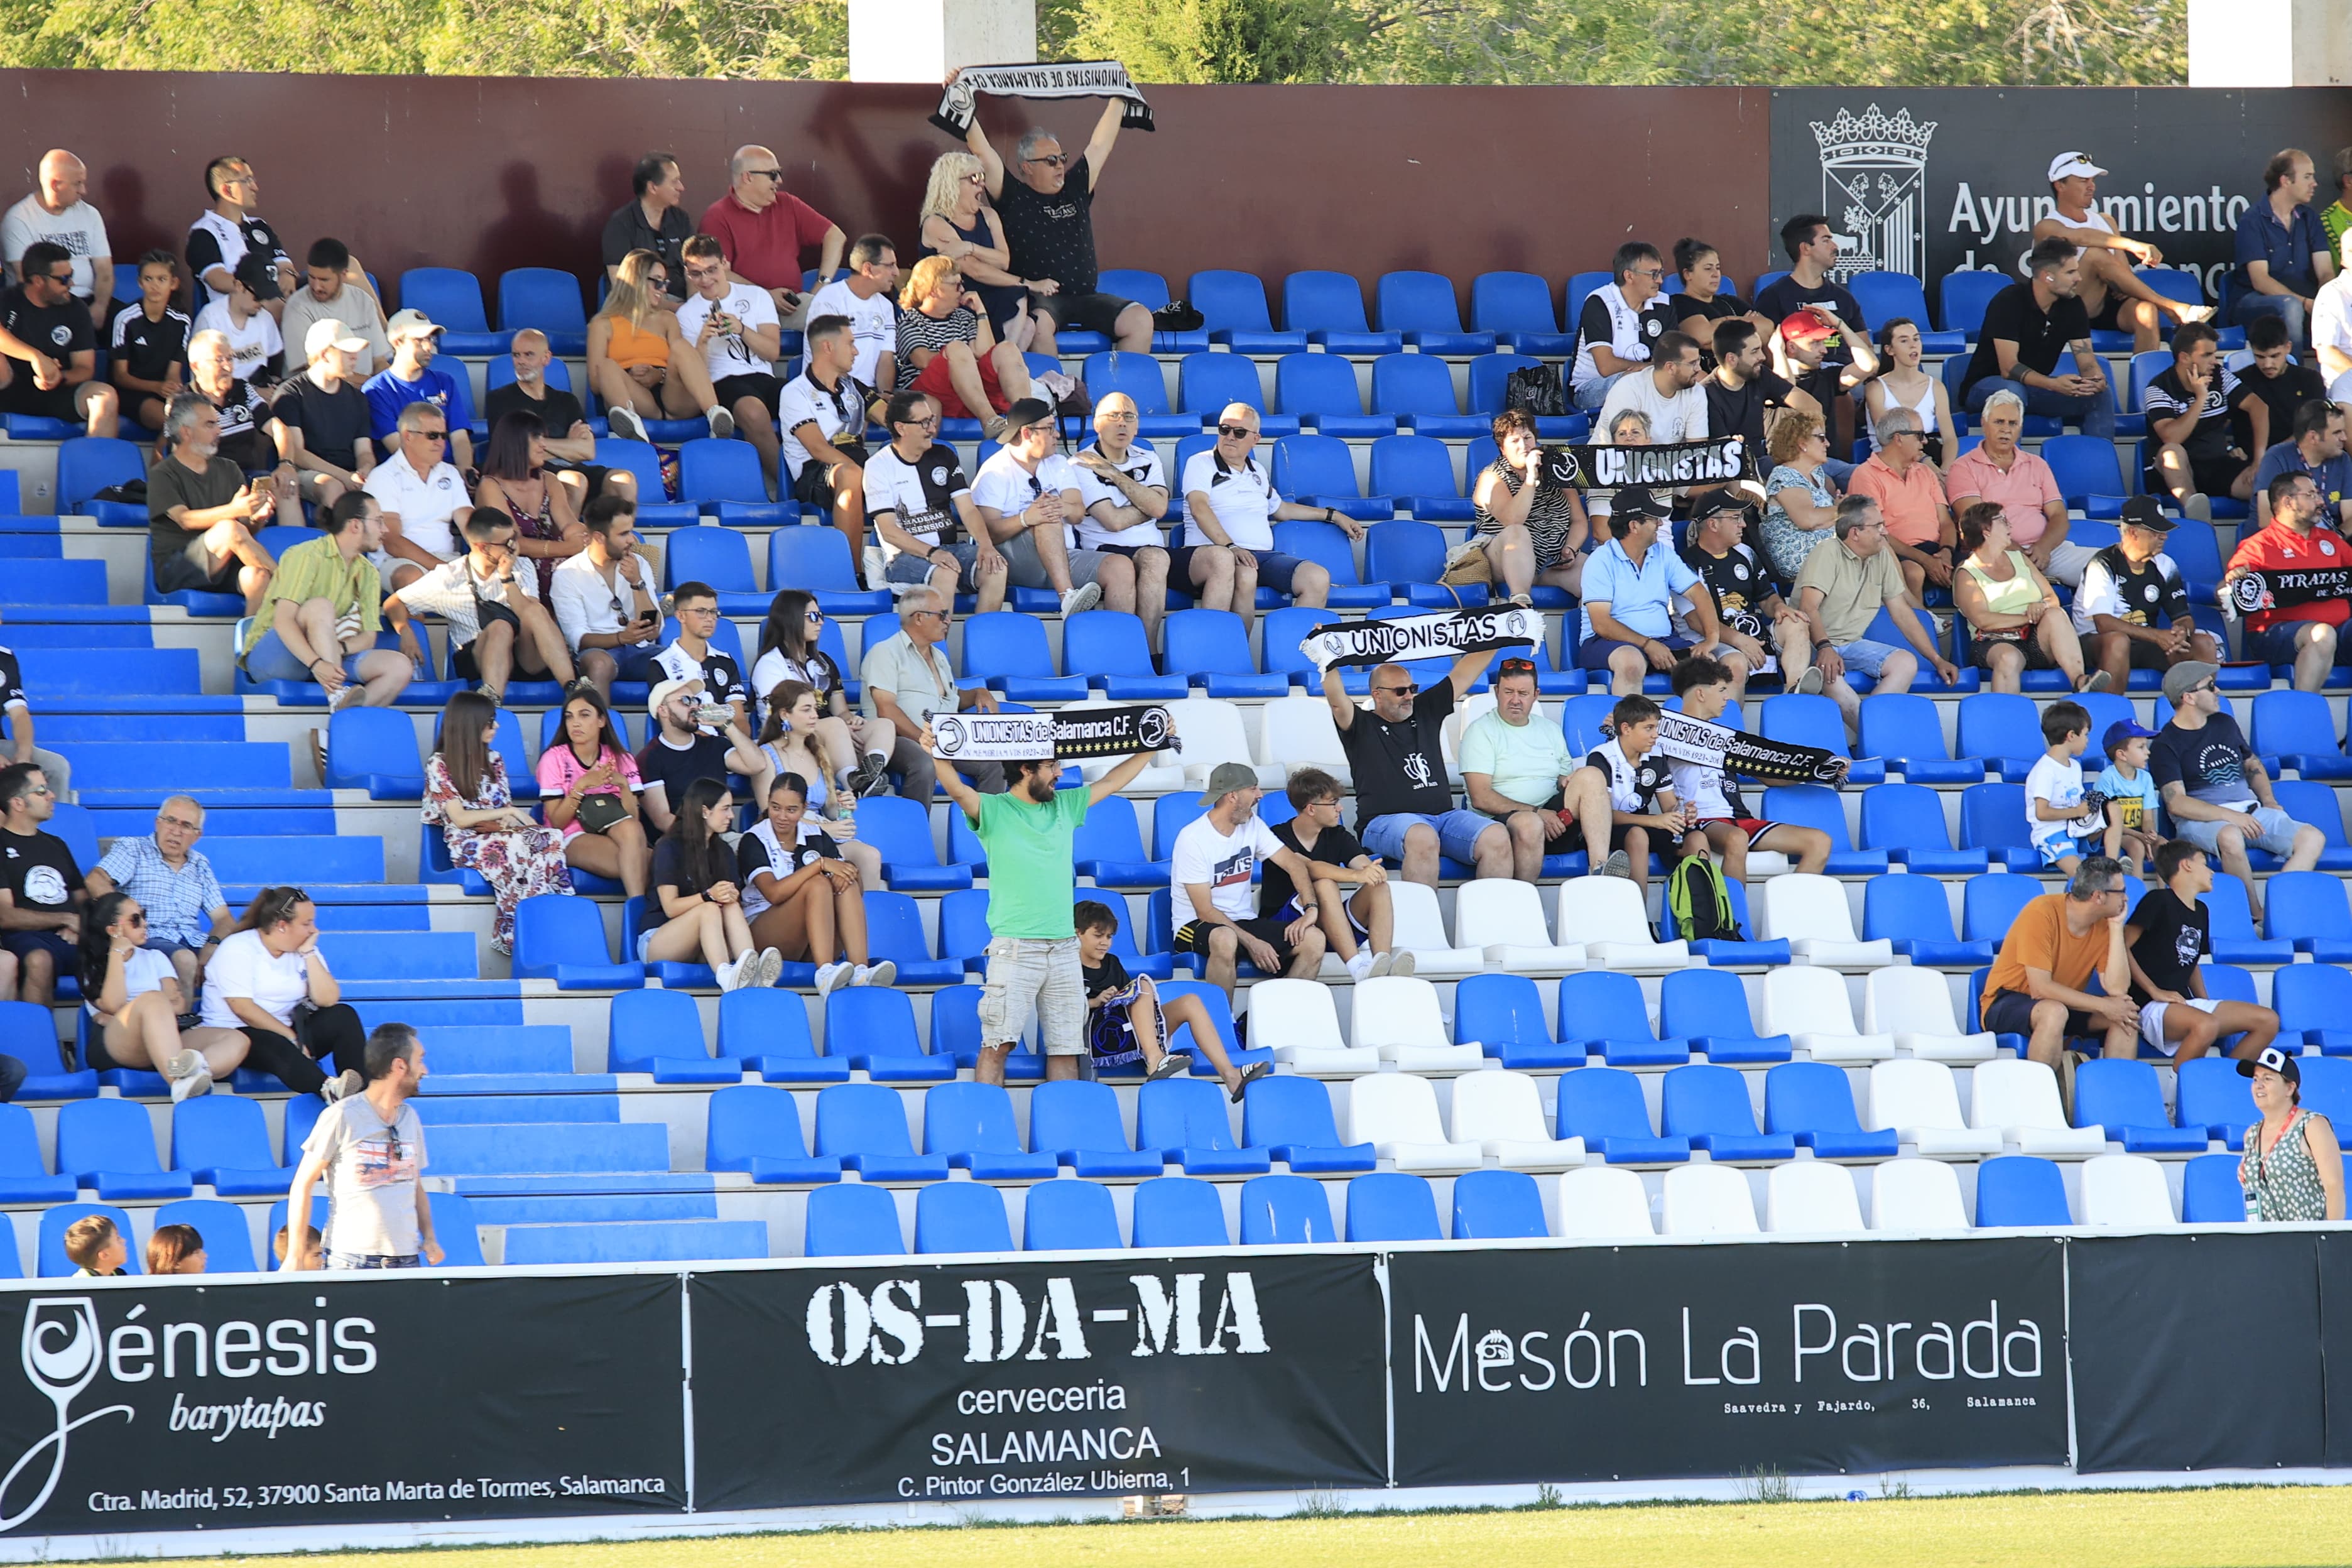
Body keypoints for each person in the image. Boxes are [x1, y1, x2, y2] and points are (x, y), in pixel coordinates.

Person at [930, 717, 1167, 1087]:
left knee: (1066, 1048)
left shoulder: (1065, 805)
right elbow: (958, 791)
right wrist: (937, 752)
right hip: (1015, 946)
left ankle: (1064, 1120)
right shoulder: (995, 808)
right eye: (1052, 766)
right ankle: (988, 1117)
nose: (1059, 773)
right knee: (998, 1044)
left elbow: (1112, 782)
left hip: (1064, 948)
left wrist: (1151, 746)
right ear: (1026, 769)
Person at [955, 82, 1152, 356]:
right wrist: (959, 98)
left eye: (1061, 158)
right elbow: (983, 152)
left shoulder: (1075, 187)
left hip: (1086, 296)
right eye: (1050, 160)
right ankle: (1055, 384)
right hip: (1043, 299)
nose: (1059, 165)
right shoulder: (1012, 196)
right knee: (1038, 328)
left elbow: (1100, 146)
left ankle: (1121, 385)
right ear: (1027, 167)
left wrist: (1119, 95)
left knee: (1140, 319)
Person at [2150, 660, 2323, 922]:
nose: (2218, 691)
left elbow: (2252, 765)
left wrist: (2269, 800)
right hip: (2203, 821)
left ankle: (2277, 911)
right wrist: (2232, 817)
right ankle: (2253, 915)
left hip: (2250, 812)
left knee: (2312, 838)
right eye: (2210, 686)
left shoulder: (2225, 723)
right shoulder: (2165, 744)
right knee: (2230, 836)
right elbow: (2178, 803)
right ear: (2189, 697)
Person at [1325, 640, 1506, 887]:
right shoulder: (1361, 724)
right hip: (1383, 823)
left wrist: (1499, 634)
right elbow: (1337, 701)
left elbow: (1465, 673)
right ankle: (1423, 913)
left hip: (1444, 817)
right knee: (1422, 836)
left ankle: (1490, 913)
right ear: (1377, 694)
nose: (1409, 696)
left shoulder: (1424, 709)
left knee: (1496, 836)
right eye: (1400, 691)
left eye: (1412, 688)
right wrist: (1327, 656)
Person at [1177, 402, 1353, 633]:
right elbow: (1198, 508)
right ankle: (1235, 650)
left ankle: (1294, 650)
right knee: (1246, 574)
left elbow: (1281, 510)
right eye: (1224, 429)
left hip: (1261, 556)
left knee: (1317, 578)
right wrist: (1231, 546)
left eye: (1239, 432)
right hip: (1217, 554)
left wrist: (1333, 515)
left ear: (1256, 439)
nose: (1230, 437)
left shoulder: (1257, 470)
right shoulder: (1201, 462)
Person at [242, 491, 413, 722]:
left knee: (399, 666)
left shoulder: (369, 573)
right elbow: (283, 621)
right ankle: (336, 695)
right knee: (320, 606)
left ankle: (341, 726)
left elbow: (368, 638)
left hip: (328, 658)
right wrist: (317, 663)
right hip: (274, 657)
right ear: (355, 525)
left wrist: (333, 650)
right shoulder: (306, 555)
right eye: (379, 521)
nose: (385, 529)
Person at [423, 691, 572, 956]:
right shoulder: (439, 763)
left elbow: (505, 818)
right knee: (524, 847)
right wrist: (508, 812)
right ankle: (525, 934)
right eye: (490, 721)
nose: (497, 726)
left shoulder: (495, 760)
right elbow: (460, 818)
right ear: (471, 725)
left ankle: (540, 925)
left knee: (552, 838)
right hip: (467, 843)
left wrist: (507, 820)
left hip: (501, 834)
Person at [1795, 496, 1964, 727]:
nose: (1885, 532)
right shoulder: (1827, 551)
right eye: (1878, 526)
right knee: (1831, 676)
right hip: (1813, 643)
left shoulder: (1882, 555)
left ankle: (1872, 732)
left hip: (1851, 643)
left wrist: (1937, 659)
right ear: (1855, 533)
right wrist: (1825, 648)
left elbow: (1902, 614)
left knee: (1906, 663)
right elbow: (1808, 608)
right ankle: (1876, 735)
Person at [1171, 761, 1331, 1003]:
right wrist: (1253, 943)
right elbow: (1205, 911)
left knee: (1314, 939)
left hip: (1243, 921)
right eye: (1253, 788)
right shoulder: (1193, 839)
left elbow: (1294, 864)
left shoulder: (1253, 824)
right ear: (1232, 795)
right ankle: (1222, 1020)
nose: (1260, 795)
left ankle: (1279, 1016)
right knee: (1225, 939)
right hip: (1194, 925)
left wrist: (1311, 909)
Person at [287, 1022, 442, 1270]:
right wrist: (295, 1257)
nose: (425, 1070)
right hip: (351, 1261)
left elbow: (415, 1185)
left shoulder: (410, 1118)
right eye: (420, 1060)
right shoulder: (342, 1115)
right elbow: (302, 1185)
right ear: (399, 1066)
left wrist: (430, 1237)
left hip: (407, 1259)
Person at [1664, 655, 1832, 883]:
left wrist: (1817, 771)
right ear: (1701, 694)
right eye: (1722, 690)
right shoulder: (1664, 735)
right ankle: (1733, 907)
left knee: (1819, 842)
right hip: (1702, 820)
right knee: (1737, 838)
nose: (1727, 697)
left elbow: (1771, 778)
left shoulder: (1729, 741)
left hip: (1740, 820)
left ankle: (1789, 903)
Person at [389, 504, 572, 711]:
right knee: (500, 627)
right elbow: (394, 602)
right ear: (483, 548)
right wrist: (405, 630)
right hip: (477, 658)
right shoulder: (449, 577)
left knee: (537, 610)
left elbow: (528, 614)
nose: (514, 547)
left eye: (514, 539)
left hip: (523, 653)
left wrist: (507, 578)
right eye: (507, 543)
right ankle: (491, 707)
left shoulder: (522, 566)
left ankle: (573, 687)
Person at [1075, 900, 1262, 1097]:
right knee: (1143, 985)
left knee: (1190, 1002)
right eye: (1098, 936)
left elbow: (1128, 1002)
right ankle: (1155, 1058)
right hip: (1096, 1040)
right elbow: (1061, 1009)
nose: (1105, 943)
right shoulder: (1069, 967)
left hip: (1124, 1033)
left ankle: (1231, 1075)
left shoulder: (1112, 962)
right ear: (1078, 933)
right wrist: (1095, 1002)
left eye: (1109, 937)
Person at [2033, 151, 2211, 354]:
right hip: (2064, 307)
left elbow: (2123, 272)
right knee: (2095, 254)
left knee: (2146, 311)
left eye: (2092, 180)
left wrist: (2118, 281)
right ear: (2060, 185)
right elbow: (2081, 237)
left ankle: (2146, 373)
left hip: (2104, 305)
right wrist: (2133, 245)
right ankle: (2170, 307)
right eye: (2083, 180)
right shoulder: (2046, 226)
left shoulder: (2106, 221)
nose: (2091, 186)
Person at [200, 886, 367, 1102]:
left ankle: (362, 1095)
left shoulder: (303, 948)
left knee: (343, 1015)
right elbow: (242, 1008)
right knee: (275, 1042)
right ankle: (329, 1089)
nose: (314, 930)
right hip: (238, 1034)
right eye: (306, 924)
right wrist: (291, 1038)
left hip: (287, 1032)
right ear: (282, 926)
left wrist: (309, 953)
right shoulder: (238, 948)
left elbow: (328, 999)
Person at [2126, 840, 2281, 1063]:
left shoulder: (2201, 910)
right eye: (2204, 864)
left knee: (2268, 1020)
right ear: (2187, 865)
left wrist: (2205, 1002)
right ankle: (2190, 1080)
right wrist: (2154, 990)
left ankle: (2226, 1077)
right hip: (2149, 1006)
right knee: (2206, 1024)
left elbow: (2191, 963)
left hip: (2184, 1004)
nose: (2211, 872)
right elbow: (2121, 946)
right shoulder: (2158, 900)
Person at [77, 891, 239, 1101]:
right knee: (153, 999)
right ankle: (178, 1084)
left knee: (235, 1038)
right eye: (136, 919)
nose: (145, 923)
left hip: (165, 1037)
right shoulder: (92, 964)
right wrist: (117, 954)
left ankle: (193, 1073)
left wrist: (150, 1014)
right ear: (113, 929)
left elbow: (179, 1006)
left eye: (144, 915)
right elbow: (112, 1004)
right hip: (118, 1044)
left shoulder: (156, 957)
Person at [738, 771, 888, 996]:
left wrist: (847, 873)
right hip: (766, 934)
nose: (782, 816)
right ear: (768, 803)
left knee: (846, 882)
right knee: (817, 884)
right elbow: (774, 894)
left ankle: (861, 971)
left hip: (812, 939)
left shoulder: (816, 834)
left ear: (804, 808)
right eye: (775, 807)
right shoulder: (754, 839)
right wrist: (819, 864)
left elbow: (849, 878)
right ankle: (825, 972)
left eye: (791, 810)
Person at [1980, 857, 2138, 1070]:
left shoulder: (2104, 924)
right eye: (2121, 892)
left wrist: (2117, 928)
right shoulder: (2041, 912)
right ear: (2099, 896)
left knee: (2126, 1017)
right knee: (2054, 1012)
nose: (2126, 898)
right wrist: (2104, 1006)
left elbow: (2118, 989)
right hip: (2007, 1001)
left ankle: (2113, 1090)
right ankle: (2042, 1090)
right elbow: (2040, 989)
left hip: (2063, 1003)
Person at [866, 389, 1009, 613]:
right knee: (945, 571)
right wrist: (932, 553)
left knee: (995, 567)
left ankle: (983, 635)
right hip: (904, 558)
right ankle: (941, 636)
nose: (933, 428)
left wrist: (986, 545)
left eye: (932, 420)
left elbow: (968, 510)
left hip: (949, 549)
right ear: (901, 428)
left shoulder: (944, 455)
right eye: (924, 423)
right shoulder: (878, 466)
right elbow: (889, 532)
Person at [1957, 236, 2115, 438]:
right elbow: (2009, 368)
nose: (2079, 278)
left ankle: (2100, 458)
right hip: (1987, 388)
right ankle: (2011, 460)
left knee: (2100, 395)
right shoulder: (2009, 301)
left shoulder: (2073, 305)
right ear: (2048, 277)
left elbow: (2087, 362)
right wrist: (2053, 384)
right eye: (2071, 272)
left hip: (2035, 388)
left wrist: (2095, 379)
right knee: (2013, 392)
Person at [1578, 485, 1726, 697]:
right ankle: (1628, 720)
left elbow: (1699, 593)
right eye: (1654, 519)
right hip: (1604, 642)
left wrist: (1712, 638)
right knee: (1631, 662)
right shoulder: (1600, 560)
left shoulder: (1663, 554)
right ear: (1634, 526)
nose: (1660, 524)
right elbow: (1601, 624)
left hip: (1662, 639)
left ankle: (1686, 720)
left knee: (1706, 665)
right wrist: (1647, 644)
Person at [1261, 767, 1407, 982]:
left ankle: (1382, 966)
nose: (1340, 808)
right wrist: (1357, 876)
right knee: (1324, 884)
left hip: (1327, 924)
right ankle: (1357, 967)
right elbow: (1309, 868)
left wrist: (1372, 871)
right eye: (1333, 803)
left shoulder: (1337, 834)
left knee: (1378, 888)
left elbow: (1363, 865)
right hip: (1285, 926)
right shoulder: (1277, 835)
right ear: (1311, 809)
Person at [971, 397, 1107, 619]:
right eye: (1050, 428)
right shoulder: (995, 471)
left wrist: (1063, 507)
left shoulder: (1058, 463)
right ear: (1027, 433)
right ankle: (1067, 597)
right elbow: (987, 533)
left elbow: (1078, 514)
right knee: (1046, 518)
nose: (1057, 435)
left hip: (1063, 556)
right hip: (1015, 563)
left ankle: (1114, 639)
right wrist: (1027, 518)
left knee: (1120, 569)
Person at [862, 585, 1002, 800]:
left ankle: (985, 821)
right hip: (897, 738)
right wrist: (925, 739)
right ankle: (916, 823)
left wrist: (977, 693)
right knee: (925, 763)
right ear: (919, 618)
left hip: (945, 739)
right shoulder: (885, 652)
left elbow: (951, 698)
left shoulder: (939, 657)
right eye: (942, 615)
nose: (948, 620)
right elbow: (886, 709)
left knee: (993, 764)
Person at [1680, 489, 1818, 700]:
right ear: (1713, 525)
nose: (1743, 525)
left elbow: (1766, 597)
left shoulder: (1745, 552)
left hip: (1752, 633)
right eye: (1736, 518)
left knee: (1795, 622)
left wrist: (1780, 607)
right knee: (1735, 665)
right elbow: (1695, 621)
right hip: (1709, 639)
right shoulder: (1685, 564)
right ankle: (1732, 720)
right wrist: (1740, 640)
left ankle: (1794, 693)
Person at [1756, 215, 1877, 456]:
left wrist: (1839, 325)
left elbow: (1868, 355)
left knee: (1877, 389)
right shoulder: (1774, 296)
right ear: (1806, 248)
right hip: (1796, 376)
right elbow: (1767, 353)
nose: (1835, 246)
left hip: (1843, 375)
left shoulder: (1844, 298)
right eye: (1826, 240)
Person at [86, 797, 231, 998]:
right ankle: (183, 1015)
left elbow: (224, 919)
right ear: (158, 823)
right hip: (149, 937)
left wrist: (211, 946)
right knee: (185, 959)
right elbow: (96, 880)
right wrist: (126, 921)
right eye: (171, 821)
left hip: (194, 940)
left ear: (197, 836)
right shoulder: (134, 849)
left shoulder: (200, 864)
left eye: (186, 826)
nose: (176, 831)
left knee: (239, 957)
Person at [643, 775, 777, 991]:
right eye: (725, 809)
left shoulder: (723, 851)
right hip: (659, 939)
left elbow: (730, 902)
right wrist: (708, 896)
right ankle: (725, 976)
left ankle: (751, 970)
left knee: (730, 905)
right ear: (705, 811)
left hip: (705, 942)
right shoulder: (669, 847)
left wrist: (729, 896)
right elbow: (670, 908)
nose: (731, 815)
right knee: (709, 908)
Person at [2071, 496, 2216, 694]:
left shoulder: (2165, 564)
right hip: (2097, 642)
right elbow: (2103, 624)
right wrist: (2157, 636)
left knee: (2204, 644)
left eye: (2164, 531)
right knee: (2118, 641)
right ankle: (2110, 710)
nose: (2164, 537)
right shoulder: (2103, 563)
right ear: (2133, 532)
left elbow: (2183, 617)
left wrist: (2182, 632)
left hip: (2145, 642)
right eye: (2156, 531)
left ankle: (2199, 708)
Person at [146, 392, 275, 614]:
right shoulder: (162, 474)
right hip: (178, 568)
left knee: (257, 577)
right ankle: (292, 587)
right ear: (186, 432)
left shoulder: (229, 468)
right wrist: (234, 510)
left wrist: (256, 519)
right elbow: (184, 520)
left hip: (223, 562)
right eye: (210, 425)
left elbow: (243, 530)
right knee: (228, 528)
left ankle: (253, 637)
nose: (219, 430)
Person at [751, 589, 889, 797]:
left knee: (884, 725)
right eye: (813, 617)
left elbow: (840, 711)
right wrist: (839, 726)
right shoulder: (770, 663)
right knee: (835, 725)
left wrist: (850, 721)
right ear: (791, 618)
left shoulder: (823, 661)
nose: (821, 623)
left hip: (830, 733)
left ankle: (868, 775)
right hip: (789, 734)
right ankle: (855, 785)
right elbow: (781, 715)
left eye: (821, 616)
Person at [1948, 388, 2093, 585]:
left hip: (2046, 552)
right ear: (1984, 423)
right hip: (1994, 554)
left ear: (2020, 427)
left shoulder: (2037, 464)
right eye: (1999, 422)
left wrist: (2043, 548)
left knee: (2107, 568)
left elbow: (2059, 515)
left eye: (2013, 423)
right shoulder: (1963, 467)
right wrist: (2021, 557)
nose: (2006, 429)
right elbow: (1976, 524)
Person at [1953, 501, 2099, 696]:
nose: (2010, 525)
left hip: (2036, 638)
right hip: (1993, 641)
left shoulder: (2020, 558)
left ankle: (2079, 680)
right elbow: (1982, 620)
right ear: (1986, 530)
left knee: (2056, 614)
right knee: (2008, 658)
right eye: (2003, 520)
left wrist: (2042, 606)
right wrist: (2028, 617)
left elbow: (2052, 599)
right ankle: (2008, 713)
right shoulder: (1967, 573)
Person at [589, 248, 732, 447]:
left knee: (681, 347)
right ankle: (630, 425)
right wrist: (629, 375)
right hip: (634, 396)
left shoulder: (668, 319)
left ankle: (715, 414)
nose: (664, 289)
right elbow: (595, 384)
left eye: (665, 283)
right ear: (636, 280)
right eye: (658, 282)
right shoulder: (601, 324)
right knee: (606, 366)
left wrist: (660, 375)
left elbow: (685, 363)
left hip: (673, 395)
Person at [679, 231, 790, 486]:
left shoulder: (757, 296)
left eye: (711, 270)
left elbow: (772, 352)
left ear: (725, 263)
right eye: (696, 274)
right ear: (687, 274)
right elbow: (696, 376)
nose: (706, 280)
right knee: (753, 412)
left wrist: (742, 329)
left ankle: (821, 476)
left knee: (804, 399)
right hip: (722, 382)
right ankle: (791, 488)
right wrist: (703, 341)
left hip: (763, 377)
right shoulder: (686, 314)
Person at [777, 311, 883, 574]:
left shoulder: (853, 387)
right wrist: (866, 477)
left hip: (856, 466)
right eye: (851, 343)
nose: (856, 352)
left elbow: (891, 418)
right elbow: (818, 448)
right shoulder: (795, 392)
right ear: (828, 347)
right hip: (816, 472)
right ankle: (852, 572)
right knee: (850, 474)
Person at [751, 681, 883, 891]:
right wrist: (822, 829)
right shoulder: (767, 755)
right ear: (785, 714)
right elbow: (770, 812)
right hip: (787, 838)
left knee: (870, 856)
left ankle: (867, 911)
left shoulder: (818, 751)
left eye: (815, 708)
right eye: (806, 710)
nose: (815, 715)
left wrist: (842, 804)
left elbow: (829, 810)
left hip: (823, 834)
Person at [1461, 656, 1582, 882]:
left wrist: (1573, 783)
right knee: (1529, 823)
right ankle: (1524, 899)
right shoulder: (1481, 731)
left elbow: (1562, 779)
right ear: (1497, 692)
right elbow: (1480, 798)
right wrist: (1536, 813)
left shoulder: (1550, 729)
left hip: (1553, 822)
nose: (1515, 700)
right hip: (1498, 823)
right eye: (1509, 692)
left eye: (1523, 693)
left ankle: (1600, 867)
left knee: (1592, 777)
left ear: (1536, 695)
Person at [2229, 469, 2352, 689]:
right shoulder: (2259, 546)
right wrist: (2233, 578)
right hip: (2275, 636)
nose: (2320, 501)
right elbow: (2231, 585)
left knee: (2327, 634)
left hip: (2340, 634)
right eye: (2311, 495)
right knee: (2322, 634)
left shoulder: (2332, 541)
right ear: (2288, 502)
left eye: (2318, 494)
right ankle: (2305, 706)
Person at [487, 329, 630, 517]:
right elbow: (511, 451)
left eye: (529, 355)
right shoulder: (499, 399)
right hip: (529, 473)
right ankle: (567, 536)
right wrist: (569, 444)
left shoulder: (567, 401)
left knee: (624, 480)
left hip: (570, 468)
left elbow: (588, 451)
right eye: (516, 355)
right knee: (576, 481)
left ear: (546, 358)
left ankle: (617, 536)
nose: (521, 361)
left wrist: (533, 444)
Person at [1071, 393, 1175, 646]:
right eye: (1113, 416)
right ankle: (1137, 652)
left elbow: (1160, 508)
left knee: (1219, 559)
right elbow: (1113, 521)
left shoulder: (1148, 457)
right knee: (1155, 558)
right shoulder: (1081, 463)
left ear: (1137, 426)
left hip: (1154, 550)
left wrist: (1115, 475)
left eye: (1129, 417)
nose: (1122, 423)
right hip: (1107, 551)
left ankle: (1148, 653)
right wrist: (1147, 506)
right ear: (1097, 424)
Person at [893, 254, 1033, 440]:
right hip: (931, 395)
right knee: (958, 349)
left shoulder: (964, 317)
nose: (963, 290)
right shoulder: (910, 319)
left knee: (1007, 349)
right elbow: (922, 360)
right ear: (934, 290)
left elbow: (986, 352)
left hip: (971, 393)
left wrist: (981, 311)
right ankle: (990, 421)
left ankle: (1029, 420)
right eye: (956, 285)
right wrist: (961, 357)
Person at [699, 144, 844, 323]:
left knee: (842, 313)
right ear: (748, 177)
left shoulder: (787, 204)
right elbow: (718, 272)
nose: (780, 181)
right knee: (831, 318)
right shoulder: (717, 216)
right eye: (773, 174)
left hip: (792, 305)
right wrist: (765, 295)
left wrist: (822, 285)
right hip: (745, 308)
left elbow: (835, 236)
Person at [536, 682, 652, 901]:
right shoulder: (553, 758)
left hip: (617, 833)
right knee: (648, 864)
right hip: (570, 835)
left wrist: (623, 786)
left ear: (601, 721)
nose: (575, 723)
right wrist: (582, 786)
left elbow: (633, 820)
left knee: (634, 836)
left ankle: (637, 906)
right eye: (569, 717)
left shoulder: (623, 758)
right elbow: (557, 823)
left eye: (584, 715)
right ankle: (638, 906)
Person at [1556, 694, 1684, 889]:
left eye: (1656, 728)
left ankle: (1703, 903)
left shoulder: (1657, 755)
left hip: (1644, 823)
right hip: (1612, 828)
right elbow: (1600, 815)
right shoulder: (1601, 756)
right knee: (1638, 835)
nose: (1656, 735)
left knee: (1696, 837)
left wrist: (1680, 812)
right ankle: (1638, 905)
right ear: (1626, 729)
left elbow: (1669, 806)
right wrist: (1655, 821)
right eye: (1649, 728)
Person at [1469, 407, 1592, 602]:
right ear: (1502, 448)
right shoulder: (1490, 477)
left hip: (1551, 561)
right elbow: (1513, 520)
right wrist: (1531, 479)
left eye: (1527, 438)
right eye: (1514, 441)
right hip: (1504, 559)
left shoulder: (1557, 470)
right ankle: (1520, 603)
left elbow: (1578, 520)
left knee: (1596, 574)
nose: (1523, 445)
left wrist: (1571, 548)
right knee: (1517, 533)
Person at [0, 240, 119, 437]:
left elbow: (85, 368)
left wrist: (57, 377)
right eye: (63, 279)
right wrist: (37, 358)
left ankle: (94, 457)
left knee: (105, 396)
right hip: (9, 388)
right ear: (38, 280)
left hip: (57, 392)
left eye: (71, 276)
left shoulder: (76, 308)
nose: (71, 284)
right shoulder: (8, 300)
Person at [916, 149, 1034, 347]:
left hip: (991, 290)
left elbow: (1004, 261)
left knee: (1029, 323)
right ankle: (998, 359)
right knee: (1018, 295)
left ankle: (1002, 359)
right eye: (975, 178)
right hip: (955, 295)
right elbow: (974, 269)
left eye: (983, 178)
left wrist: (970, 247)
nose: (982, 184)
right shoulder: (935, 223)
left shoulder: (989, 216)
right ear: (953, 183)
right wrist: (1026, 283)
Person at [551, 494, 665, 699]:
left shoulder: (639, 564)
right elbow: (579, 639)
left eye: (631, 531)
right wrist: (621, 638)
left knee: (678, 660)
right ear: (599, 537)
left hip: (640, 650)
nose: (632, 540)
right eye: (624, 534)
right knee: (599, 664)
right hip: (597, 652)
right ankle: (601, 720)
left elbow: (653, 630)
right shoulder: (567, 574)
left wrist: (637, 583)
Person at [2142, 320, 2258, 520]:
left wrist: (2258, 460)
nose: (2215, 361)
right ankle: (2196, 513)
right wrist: (2201, 399)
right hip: (2173, 474)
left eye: (2214, 354)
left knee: (2263, 487)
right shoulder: (2158, 388)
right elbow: (2172, 437)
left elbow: (2258, 407)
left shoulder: (2219, 375)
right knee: (2172, 451)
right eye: (2207, 355)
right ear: (2184, 358)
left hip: (2216, 465)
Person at [472, 411, 588, 600]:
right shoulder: (490, 485)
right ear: (514, 443)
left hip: (555, 559)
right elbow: (514, 542)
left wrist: (579, 537)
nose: (544, 445)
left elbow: (568, 523)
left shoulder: (549, 480)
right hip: (513, 565)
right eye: (536, 438)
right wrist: (569, 548)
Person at [1847, 407, 1956, 602]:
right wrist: (1925, 560)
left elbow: (1946, 522)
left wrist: (1946, 552)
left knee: (1976, 568)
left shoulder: (1926, 472)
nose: (1925, 441)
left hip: (1937, 550)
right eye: (1919, 435)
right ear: (1898, 438)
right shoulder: (1866, 475)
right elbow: (1876, 533)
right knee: (1913, 572)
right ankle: (1921, 619)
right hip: (1895, 553)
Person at [268, 319, 376, 515]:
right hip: (306, 473)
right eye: (347, 352)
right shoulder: (290, 394)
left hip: (348, 473)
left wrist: (365, 470)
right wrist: (344, 476)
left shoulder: (358, 398)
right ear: (325, 354)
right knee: (332, 487)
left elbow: (364, 450)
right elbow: (297, 454)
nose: (355, 357)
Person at [361, 401, 469, 593]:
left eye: (444, 436)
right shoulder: (383, 477)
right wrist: (442, 569)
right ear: (408, 436)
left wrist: (487, 551)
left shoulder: (451, 473)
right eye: (432, 436)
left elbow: (469, 523)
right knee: (411, 578)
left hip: (448, 559)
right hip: (397, 562)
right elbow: (391, 541)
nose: (440, 443)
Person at [634, 676, 762, 837]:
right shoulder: (649, 758)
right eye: (685, 701)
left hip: (722, 837)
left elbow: (757, 765)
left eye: (696, 700)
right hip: (681, 839)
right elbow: (662, 819)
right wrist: (705, 839)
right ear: (663, 710)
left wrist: (726, 725)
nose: (694, 706)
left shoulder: (715, 745)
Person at [2233, 148, 2338, 342]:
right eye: (2307, 177)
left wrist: (2326, 301)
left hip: (2305, 295)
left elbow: (2325, 272)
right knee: (2291, 307)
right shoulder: (2253, 220)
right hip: (2256, 299)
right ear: (2285, 181)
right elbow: (2261, 281)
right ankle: (2294, 362)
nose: (2314, 183)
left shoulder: (2310, 218)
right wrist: (2305, 303)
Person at [3, 151, 111, 328]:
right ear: (56, 185)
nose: (83, 191)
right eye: (77, 184)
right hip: (45, 306)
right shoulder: (19, 219)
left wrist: (100, 307)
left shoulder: (90, 214)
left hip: (89, 302)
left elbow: (105, 270)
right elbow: (27, 280)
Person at [2238, 1045, 2346, 1221]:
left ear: (2290, 1088)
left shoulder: (2312, 1125)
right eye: (2256, 1079)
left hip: (2308, 1234)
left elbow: (2334, 1187)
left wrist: (2332, 1235)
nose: (2259, 1085)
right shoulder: (2251, 1134)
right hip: (2262, 1235)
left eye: (2268, 1079)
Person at [362, 310, 475, 472]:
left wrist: (465, 471)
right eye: (420, 340)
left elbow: (460, 437)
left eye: (430, 339)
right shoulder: (376, 390)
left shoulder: (445, 381)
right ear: (397, 343)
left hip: (451, 474)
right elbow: (400, 449)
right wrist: (453, 472)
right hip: (406, 477)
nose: (429, 347)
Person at [0, 761, 73, 1010]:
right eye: (41, 791)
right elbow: (5, 915)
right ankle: (37, 1036)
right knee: (39, 960)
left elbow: (83, 899)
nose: (51, 796)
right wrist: (66, 919)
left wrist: (81, 926)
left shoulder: (57, 844)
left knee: (124, 955)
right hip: (26, 937)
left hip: (72, 936)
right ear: (18, 803)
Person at [1569, 241, 1675, 411]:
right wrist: (1650, 370)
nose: (1660, 280)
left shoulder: (1664, 303)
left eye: (1661, 273)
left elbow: (1670, 356)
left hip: (1646, 380)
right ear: (1629, 276)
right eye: (1653, 274)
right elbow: (1606, 367)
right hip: (1592, 388)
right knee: (1636, 383)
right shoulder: (1600, 302)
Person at [187, 156, 294, 313]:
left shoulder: (260, 225)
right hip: (233, 316)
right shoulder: (203, 232)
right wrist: (263, 292)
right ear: (227, 190)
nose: (255, 187)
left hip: (277, 308)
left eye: (253, 179)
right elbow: (218, 280)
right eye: (247, 180)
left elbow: (284, 264)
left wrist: (288, 274)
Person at [1704, 318, 1816, 465]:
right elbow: (1728, 458)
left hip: (1768, 458)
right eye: (1755, 351)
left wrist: (1804, 443)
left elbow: (1812, 406)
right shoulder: (1707, 395)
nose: (1762, 357)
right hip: (1743, 468)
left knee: (1841, 473)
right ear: (1732, 359)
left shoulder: (1761, 374)